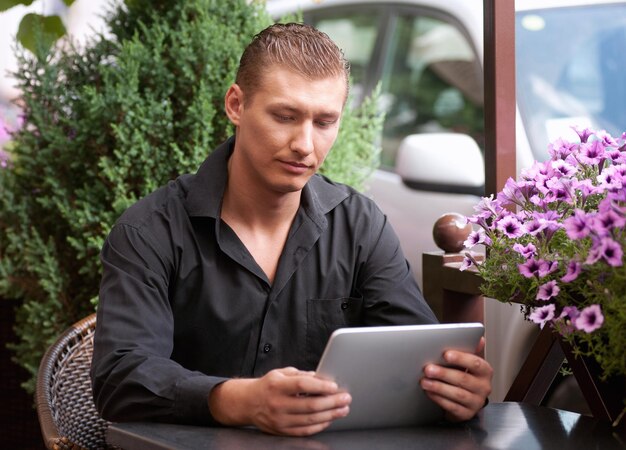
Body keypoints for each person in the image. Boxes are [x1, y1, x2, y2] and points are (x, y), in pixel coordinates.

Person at [91, 22, 493, 437]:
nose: (304, 144)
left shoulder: (360, 226)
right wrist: (240, 400)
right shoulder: (149, 230)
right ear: (236, 105)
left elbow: (420, 353)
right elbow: (120, 379)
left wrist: (459, 389)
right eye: (285, 116)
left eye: (324, 122)